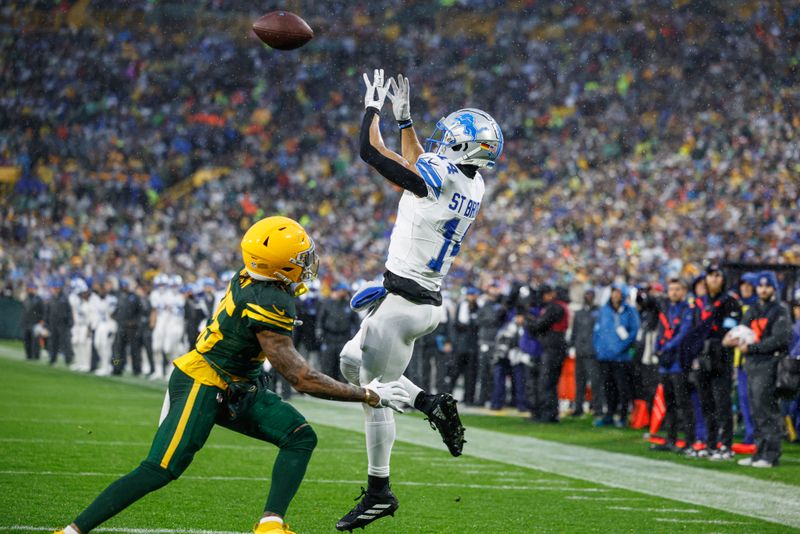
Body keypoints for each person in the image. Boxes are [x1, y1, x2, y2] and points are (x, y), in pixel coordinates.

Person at [54, 216, 409, 534]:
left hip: (237, 383)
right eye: (300, 260)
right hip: (204, 381)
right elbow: (300, 378)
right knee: (160, 469)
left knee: (300, 436)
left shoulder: (253, 277)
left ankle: (270, 524)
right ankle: (71, 531)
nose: (308, 265)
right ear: (277, 267)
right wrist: (367, 394)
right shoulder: (270, 298)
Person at [335, 69, 503, 531]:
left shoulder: (442, 179)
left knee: (374, 394)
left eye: (452, 136)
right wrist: (406, 121)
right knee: (350, 363)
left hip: (402, 306)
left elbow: (371, 152)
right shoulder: (473, 183)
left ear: (465, 149)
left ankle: (378, 491)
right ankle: (430, 403)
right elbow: (421, 168)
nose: (442, 138)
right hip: (419, 301)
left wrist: (371, 109)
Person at [734, 271, 792, 468]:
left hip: (769, 363)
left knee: (766, 409)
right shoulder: (753, 310)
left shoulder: (780, 310)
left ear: (774, 288)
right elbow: (741, 330)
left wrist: (751, 347)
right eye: (760, 286)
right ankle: (758, 452)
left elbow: (780, 339)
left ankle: (771, 454)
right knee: (754, 410)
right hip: (751, 364)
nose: (763, 289)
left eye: (767, 286)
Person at [694, 263, 742, 459]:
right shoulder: (699, 302)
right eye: (710, 275)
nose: (714, 279)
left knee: (722, 403)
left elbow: (729, 332)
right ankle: (711, 443)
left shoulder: (730, 301)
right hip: (702, 358)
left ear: (723, 279)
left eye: (717, 276)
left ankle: (726, 446)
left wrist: (714, 339)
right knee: (706, 404)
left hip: (721, 358)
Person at [651, 279, 696, 455]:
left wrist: (666, 347)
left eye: (677, 289)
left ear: (684, 291)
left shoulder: (687, 310)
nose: (674, 293)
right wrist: (658, 348)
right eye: (671, 290)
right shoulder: (666, 309)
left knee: (683, 403)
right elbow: (661, 330)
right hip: (666, 362)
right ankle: (670, 438)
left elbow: (683, 333)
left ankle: (689, 440)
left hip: (678, 361)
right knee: (669, 402)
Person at [593, 283, 640, 427]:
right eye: (614, 292)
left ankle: (622, 416)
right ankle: (609, 415)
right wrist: (598, 348)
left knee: (622, 388)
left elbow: (634, 331)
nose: (616, 295)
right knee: (608, 387)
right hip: (605, 356)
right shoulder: (604, 310)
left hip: (622, 357)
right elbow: (597, 331)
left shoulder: (629, 311)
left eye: (619, 292)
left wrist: (622, 347)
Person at [524, 284, 570, 422]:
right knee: (550, 382)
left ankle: (547, 414)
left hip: (552, 348)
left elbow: (540, 325)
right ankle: (550, 413)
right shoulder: (562, 306)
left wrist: (529, 321)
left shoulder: (555, 307)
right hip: (556, 347)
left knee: (546, 382)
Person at [316, 282, 359, 382]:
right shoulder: (328, 303)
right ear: (338, 291)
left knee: (342, 366)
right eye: (342, 291)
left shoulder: (349, 305)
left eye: (345, 291)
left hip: (343, 338)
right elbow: (320, 319)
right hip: (329, 338)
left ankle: (342, 389)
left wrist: (355, 337)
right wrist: (319, 332)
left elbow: (356, 322)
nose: (344, 293)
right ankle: (327, 388)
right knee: (327, 365)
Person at [446, 286, 481, 405]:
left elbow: (476, 325)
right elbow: (456, 324)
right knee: (455, 372)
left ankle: (469, 398)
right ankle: (448, 396)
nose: (472, 297)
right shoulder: (462, 306)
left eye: (473, 295)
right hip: (461, 345)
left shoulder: (478, 307)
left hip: (472, 345)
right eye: (470, 295)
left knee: (470, 374)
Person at [569, 288, 599, 416]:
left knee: (595, 381)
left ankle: (597, 408)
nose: (589, 297)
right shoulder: (579, 313)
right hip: (580, 350)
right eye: (587, 295)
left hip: (592, 352)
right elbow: (574, 331)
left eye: (591, 295)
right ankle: (578, 408)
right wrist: (572, 346)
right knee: (579, 381)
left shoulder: (598, 312)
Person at [46, 278, 74, 366]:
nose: (56, 289)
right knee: (53, 342)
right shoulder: (52, 298)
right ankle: (52, 359)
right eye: (55, 288)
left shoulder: (64, 298)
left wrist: (70, 322)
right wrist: (47, 322)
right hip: (53, 323)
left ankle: (68, 360)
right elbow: (48, 311)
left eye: (57, 288)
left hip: (63, 323)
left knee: (65, 343)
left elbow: (69, 311)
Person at [21, 282, 46, 361]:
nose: (31, 290)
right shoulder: (26, 299)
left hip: (36, 323)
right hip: (27, 323)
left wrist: (42, 321)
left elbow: (43, 311)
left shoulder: (39, 299)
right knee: (27, 340)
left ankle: (36, 356)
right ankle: (28, 355)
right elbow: (24, 311)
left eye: (32, 289)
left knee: (35, 341)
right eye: (30, 289)